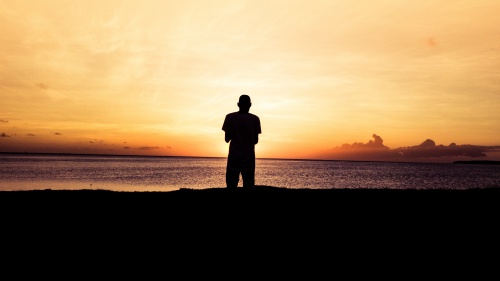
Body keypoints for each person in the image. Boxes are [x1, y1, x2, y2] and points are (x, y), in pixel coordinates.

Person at [222, 95, 262, 188]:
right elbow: (255, 141)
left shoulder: (230, 117)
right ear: (250, 105)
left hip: (233, 158)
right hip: (249, 159)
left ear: (238, 104)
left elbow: (227, 139)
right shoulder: (255, 119)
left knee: (231, 186)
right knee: (248, 186)